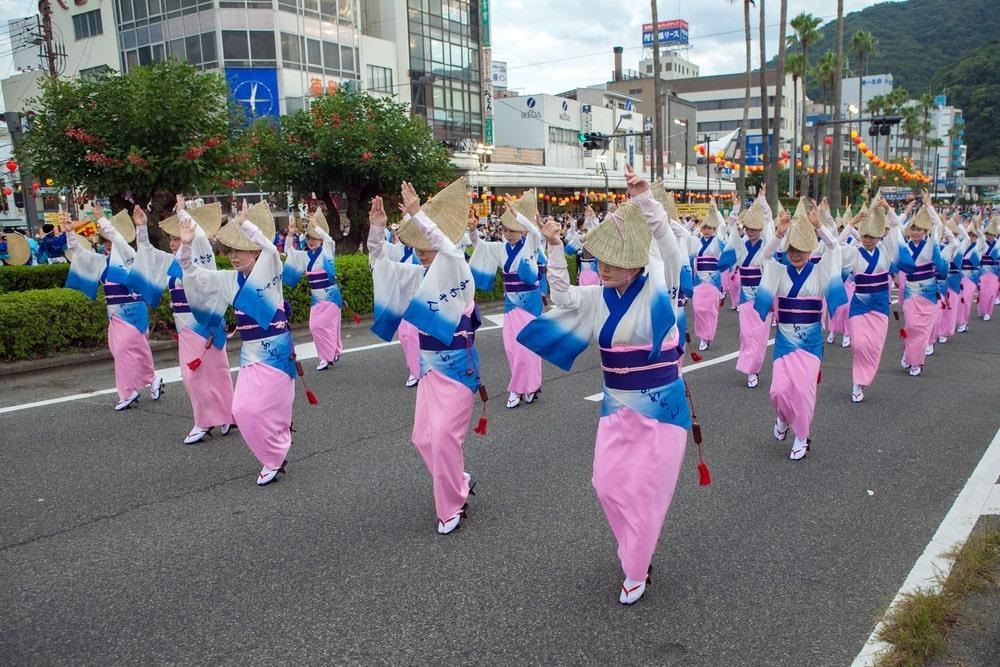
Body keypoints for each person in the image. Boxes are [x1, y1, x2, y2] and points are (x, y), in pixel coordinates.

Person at [517, 164, 690, 606]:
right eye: (599, 260)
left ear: (635, 264)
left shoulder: (660, 288)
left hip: (660, 407)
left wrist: (645, 201)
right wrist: (555, 247)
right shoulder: (597, 298)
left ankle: (636, 566)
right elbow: (563, 298)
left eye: (614, 260)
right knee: (606, 485)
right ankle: (636, 549)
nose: (604, 266)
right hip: (616, 407)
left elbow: (669, 249)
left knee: (647, 493)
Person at [368, 179, 479, 535]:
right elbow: (379, 265)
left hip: (459, 371)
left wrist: (418, 215)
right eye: (418, 246)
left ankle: (452, 505)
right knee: (423, 439)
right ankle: (459, 479)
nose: (423, 252)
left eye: (428, 245)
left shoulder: (458, 269)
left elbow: (449, 251)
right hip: (430, 372)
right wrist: (377, 228)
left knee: (445, 436)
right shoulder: (416, 276)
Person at [176, 200, 295, 486]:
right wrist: (186, 245)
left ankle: (275, 456)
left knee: (274, 409)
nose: (233, 257)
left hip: (278, 354)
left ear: (254, 252)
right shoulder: (229, 281)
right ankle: (273, 454)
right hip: (250, 356)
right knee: (242, 410)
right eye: (230, 251)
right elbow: (192, 274)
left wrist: (246, 225)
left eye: (239, 251)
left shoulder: (270, 272)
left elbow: (271, 250)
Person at [129, 197, 235, 444]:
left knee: (200, 374)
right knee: (210, 372)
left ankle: (206, 420)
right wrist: (142, 228)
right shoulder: (174, 262)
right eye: (173, 239)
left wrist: (183, 214)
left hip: (203, 322)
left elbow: (195, 239)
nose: (174, 243)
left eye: (178, 238)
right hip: (185, 325)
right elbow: (147, 254)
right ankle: (226, 414)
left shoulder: (201, 255)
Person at [754, 199, 847, 460]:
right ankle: (783, 417)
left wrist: (819, 227)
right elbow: (764, 257)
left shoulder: (819, 271)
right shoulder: (779, 271)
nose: (796, 254)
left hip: (810, 342)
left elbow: (834, 247)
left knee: (804, 391)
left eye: (801, 249)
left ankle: (802, 437)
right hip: (785, 340)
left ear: (810, 249)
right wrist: (778, 234)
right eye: (791, 249)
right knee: (779, 390)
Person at [63, 209, 164, 411]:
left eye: (109, 240)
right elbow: (78, 252)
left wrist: (101, 219)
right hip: (115, 315)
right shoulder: (101, 262)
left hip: (134, 311)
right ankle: (152, 378)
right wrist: (69, 233)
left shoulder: (130, 256)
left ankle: (127, 392)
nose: (107, 244)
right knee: (132, 350)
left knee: (124, 349)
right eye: (104, 241)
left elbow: (117, 239)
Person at [468, 189, 544, 409]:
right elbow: (479, 247)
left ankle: (525, 387)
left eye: (513, 230)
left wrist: (518, 214)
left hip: (530, 303)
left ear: (521, 230)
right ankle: (520, 386)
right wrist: (473, 232)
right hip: (511, 303)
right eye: (505, 230)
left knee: (529, 347)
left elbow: (536, 233)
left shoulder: (531, 244)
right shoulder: (500, 249)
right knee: (512, 347)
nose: (509, 233)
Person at [839, 199, 900, 403]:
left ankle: (863, 380)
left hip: (880, 307)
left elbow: (897, 228)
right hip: (859, 306)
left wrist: (889, 209)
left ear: (879, 236)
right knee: (859, 344)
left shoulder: (885, 250)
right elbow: (835, 245)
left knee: (874, 346)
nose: (868, 240)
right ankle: (857, 382)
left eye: (873, 236)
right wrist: (850, 224)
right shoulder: (853, 252)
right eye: (865, 235)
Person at [721, 186, 775, 388]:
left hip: (762, 297)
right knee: (745, 334)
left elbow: (770, 222)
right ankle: (749, 367)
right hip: (745, 296)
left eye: (755, 229)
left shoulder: (766, 243)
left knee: (760, 336)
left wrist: (762, 200)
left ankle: (753, 370)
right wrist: (735, 209)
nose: (751, 232)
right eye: (749, 228)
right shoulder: (741, 244)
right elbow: (731, 231)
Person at [894, 192, 949, 377]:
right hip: (910, 292)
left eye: (920, 229)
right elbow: (894, 228)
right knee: (911, 326)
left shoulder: (931, 244)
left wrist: (929, 205)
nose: (916, 232)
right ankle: (909, 353)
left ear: (925, 231)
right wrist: (906, 211)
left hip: (928, 293)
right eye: (913, 229)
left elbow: (939, 225)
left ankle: (916, 362)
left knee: (923, 330)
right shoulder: (904, 245)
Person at [283, 209, 343, 371]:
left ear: (320, 240)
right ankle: (334, 351)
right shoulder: (304, 256)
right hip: (317, 298)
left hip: (330, 295)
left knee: (322, 326)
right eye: (309, 238)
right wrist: (289, 235)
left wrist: (317, 227)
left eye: (315, 238)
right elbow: (289, 253)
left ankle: (326, 357)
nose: (311, 241)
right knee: (320, 326)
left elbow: (330, 240)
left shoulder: (326, 251)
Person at [687, 201, 729, 352]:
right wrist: (694, 222)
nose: (706, 230)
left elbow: (723, 226)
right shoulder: (696, 241)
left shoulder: (718, 241)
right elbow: (687, 235)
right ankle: (702, 335)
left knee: (710, 310)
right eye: (704, 227)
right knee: (698, 309)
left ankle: (706, 338)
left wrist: (716, 211)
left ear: (713, 229)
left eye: (710, 228)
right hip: (698, 281)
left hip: (712, 281)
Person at [977, 217, 999, 320]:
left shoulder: (997, 245)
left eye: (990, 234)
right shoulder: (983, 243)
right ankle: (982, 310)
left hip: (994, 273)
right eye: (987, 234)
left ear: (994, 235)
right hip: (983, 272)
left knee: (991, 293)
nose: (987, 236)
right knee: (982, 293)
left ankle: (988, 312)